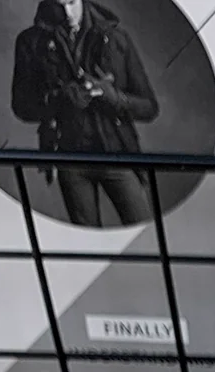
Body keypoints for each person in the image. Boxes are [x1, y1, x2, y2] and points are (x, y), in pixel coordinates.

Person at [11, 0, 159, 227]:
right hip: (70, 159)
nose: (67, 13)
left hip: (117, 153)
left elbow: (149, 107)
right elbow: (21, 106)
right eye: (59, 4)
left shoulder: (116, 37)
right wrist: (60, 99)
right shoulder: (31, 42)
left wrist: (114, 98)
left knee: (143, 230)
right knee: (85, 238)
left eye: (72, 2)